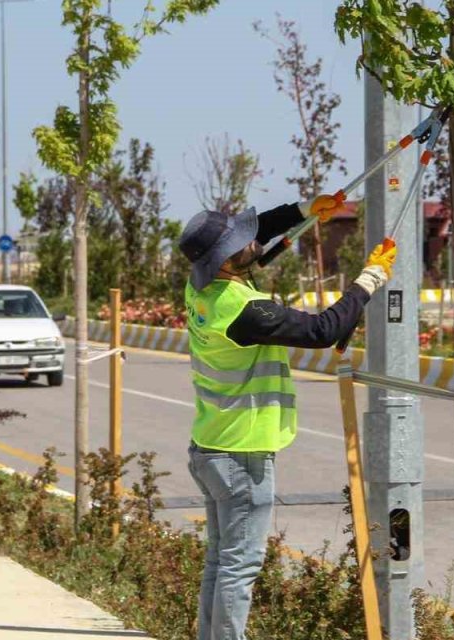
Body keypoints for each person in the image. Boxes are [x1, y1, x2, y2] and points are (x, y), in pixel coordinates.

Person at [178, 197, 397, 640]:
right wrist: (369, 280)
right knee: (239, 566)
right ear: (227, 260)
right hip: (242, 456)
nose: (251, 240)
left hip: (210, 447)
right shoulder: (244, 310)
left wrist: (306, 209)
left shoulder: (201, 290)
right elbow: (322, 330)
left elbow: (259, 236)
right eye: (240, 241)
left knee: (221, 561)